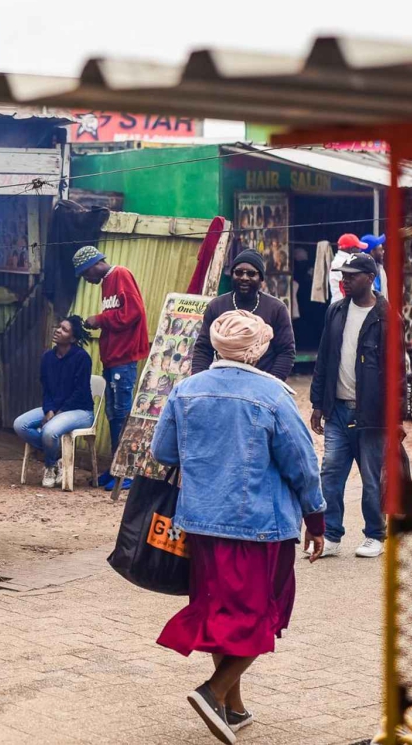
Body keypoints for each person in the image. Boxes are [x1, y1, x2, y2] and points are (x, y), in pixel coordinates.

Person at [152, 309, 326, 744]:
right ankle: (212, 693)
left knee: (221, 614)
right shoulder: (273, 396)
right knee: (261, 614)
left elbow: (163, 452)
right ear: (258, 350)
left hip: (202, 524)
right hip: (260, 527)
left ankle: (233, 706)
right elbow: (303, 464)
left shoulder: (186, 390)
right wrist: (316, 518)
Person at [309, 252, 406, 560]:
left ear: (370, 278)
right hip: (337, 410)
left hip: (372, 413)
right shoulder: (336, 310)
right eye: (344, 275)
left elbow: (398, 374)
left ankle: (374, 534)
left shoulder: (387, 318)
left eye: (352, 275)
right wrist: (317, 403)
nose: (345, 280)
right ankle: (331, 534)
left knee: (371, 477)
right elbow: (324, 358)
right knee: (330, 473)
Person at [74, 246, 150, 490]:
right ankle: (116, 467)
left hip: (124, 358)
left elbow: (133, 312)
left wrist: (99, 319)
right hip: (113, 359)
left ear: (94, 265)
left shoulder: (120, 274)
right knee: (113, 415)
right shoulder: (107, 282)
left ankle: (127, 470)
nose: (87, 279)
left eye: (85, 274)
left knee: (122, 415)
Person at [188, 249, 297, 380]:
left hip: (260, 383)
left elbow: (286, 352)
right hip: (222, 381)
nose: (244, 278)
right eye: (239, 272)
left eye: (251, 274)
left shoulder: (276, 308)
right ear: (232, 275)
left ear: (261, 278)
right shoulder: (216, 306)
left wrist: (271, 383)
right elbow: (203, 349)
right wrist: (200, 381)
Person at [13, 315, 95, 488]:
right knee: (20, 425)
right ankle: (58, 459)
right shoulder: (47, 357)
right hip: (55, 408)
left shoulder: (82, 358)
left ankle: (49, 466)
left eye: (64, 329)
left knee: (49, 431)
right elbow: (46, 389)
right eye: (59, 327)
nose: (58, 330)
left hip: (80, 411)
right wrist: (49, 409)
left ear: (72, 338)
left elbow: (80, 392)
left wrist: (57, 413)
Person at [328, 233, 365, 304]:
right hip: (342, 306)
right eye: (358, 248)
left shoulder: (343, 260)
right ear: (351, 249)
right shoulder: (342, 263)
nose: (360, 250)